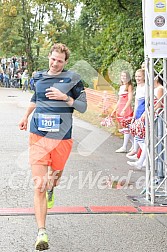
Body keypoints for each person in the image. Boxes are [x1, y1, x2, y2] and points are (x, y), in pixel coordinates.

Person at [18, 43, 87, 251]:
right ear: (48, 57)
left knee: (54, 178)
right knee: (39, 184)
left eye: (59, 60)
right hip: (38, 135)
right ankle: (41, 231)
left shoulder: (73, 79)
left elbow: (83, 107)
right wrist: (25, 116)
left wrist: (65, 98)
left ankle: (52, 189)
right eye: (53, 58)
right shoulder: (37, 77)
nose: (55, 63)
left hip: (62, 138)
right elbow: (35, 98)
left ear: (65, 62)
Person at [127, 69, 146, 169]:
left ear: (144, 77)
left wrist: (144, 113)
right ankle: (143, 159)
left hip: (143, 112)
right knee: (138, 137)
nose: (137, 78)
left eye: (139, 76)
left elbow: (148, 102)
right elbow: (137, 101)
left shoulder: (147, 87)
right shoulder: (138, 87)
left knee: (141, 138)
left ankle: (144, 159)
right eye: (136, 76)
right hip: (138, 112)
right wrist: (134, 114)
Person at [111, 70, 133, 153]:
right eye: (122, 76)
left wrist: (125, 109)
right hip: (120, 108)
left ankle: (124, 146)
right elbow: (119, 100)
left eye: (125, 76)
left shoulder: (129, 86)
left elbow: (130, 99)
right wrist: (114, 110)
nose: (123, 77)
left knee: (126, 127)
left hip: (126, 108)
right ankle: (134, 143)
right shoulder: (121, 87)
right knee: (121, 128)